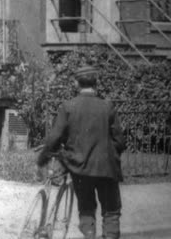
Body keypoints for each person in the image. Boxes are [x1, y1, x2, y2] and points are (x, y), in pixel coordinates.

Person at [37, 65, 126, 239]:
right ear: (96, 83)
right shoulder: (107, 107)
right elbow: (120, 141)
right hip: (107, 168)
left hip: (80, 168)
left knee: (86, 209)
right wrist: (109, 154)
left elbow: (55, 138)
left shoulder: (68, 107)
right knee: (111, 211)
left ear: (76, 83)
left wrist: (43, 158)